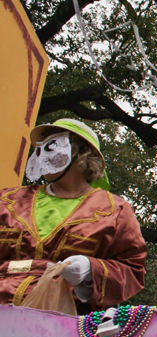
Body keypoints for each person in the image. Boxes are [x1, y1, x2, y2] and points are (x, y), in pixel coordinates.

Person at [0, 118, 147, 312]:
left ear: (83, 154)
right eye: (40, 148)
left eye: (53, 145)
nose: (42, 154)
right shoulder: (7, 200)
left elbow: (132, 270)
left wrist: (90, 270)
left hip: (62, 324)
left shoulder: (114, 210)